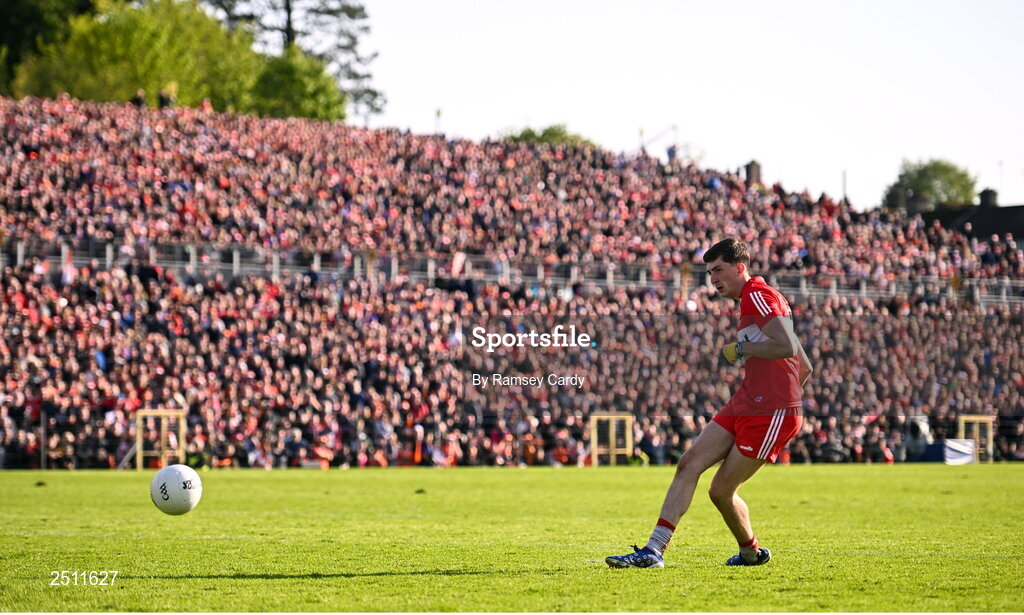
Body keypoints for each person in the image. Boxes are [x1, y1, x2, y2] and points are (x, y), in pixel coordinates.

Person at [606, 237, 813, 568]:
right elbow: (805, 366)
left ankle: (750, 552)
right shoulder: (761, 297)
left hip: (770, 410)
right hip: (748, 401)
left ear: (740, 268)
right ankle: (653, 551)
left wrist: (756, 368)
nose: (713, 279)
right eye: (709, 273)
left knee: (720, 491)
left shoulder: (757, 296)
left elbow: (787, 347)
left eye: (718, 271)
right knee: (689, 463)